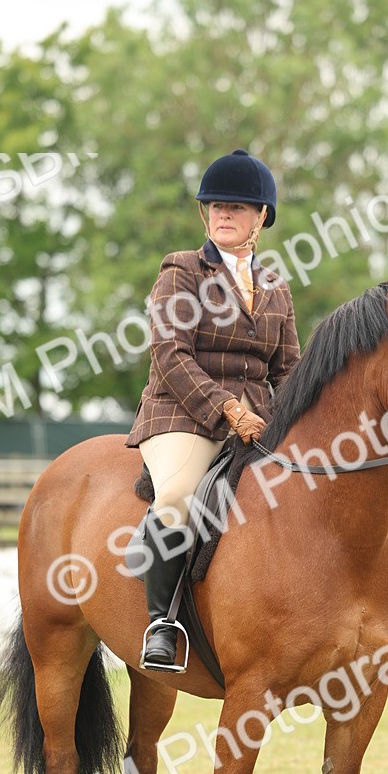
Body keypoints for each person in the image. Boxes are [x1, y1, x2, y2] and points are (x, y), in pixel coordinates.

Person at [125, 148, 300, 671]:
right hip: (183, 415)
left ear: (261, 217)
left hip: (258, 422)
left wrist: (306, 417)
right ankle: (161, 623)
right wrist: (228, 409)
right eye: (216, 205)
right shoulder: (181, 270)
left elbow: (288, 369)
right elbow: (170, 355)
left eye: (236, 206)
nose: (224, 213)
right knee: (177, 497)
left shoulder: (276, 288)